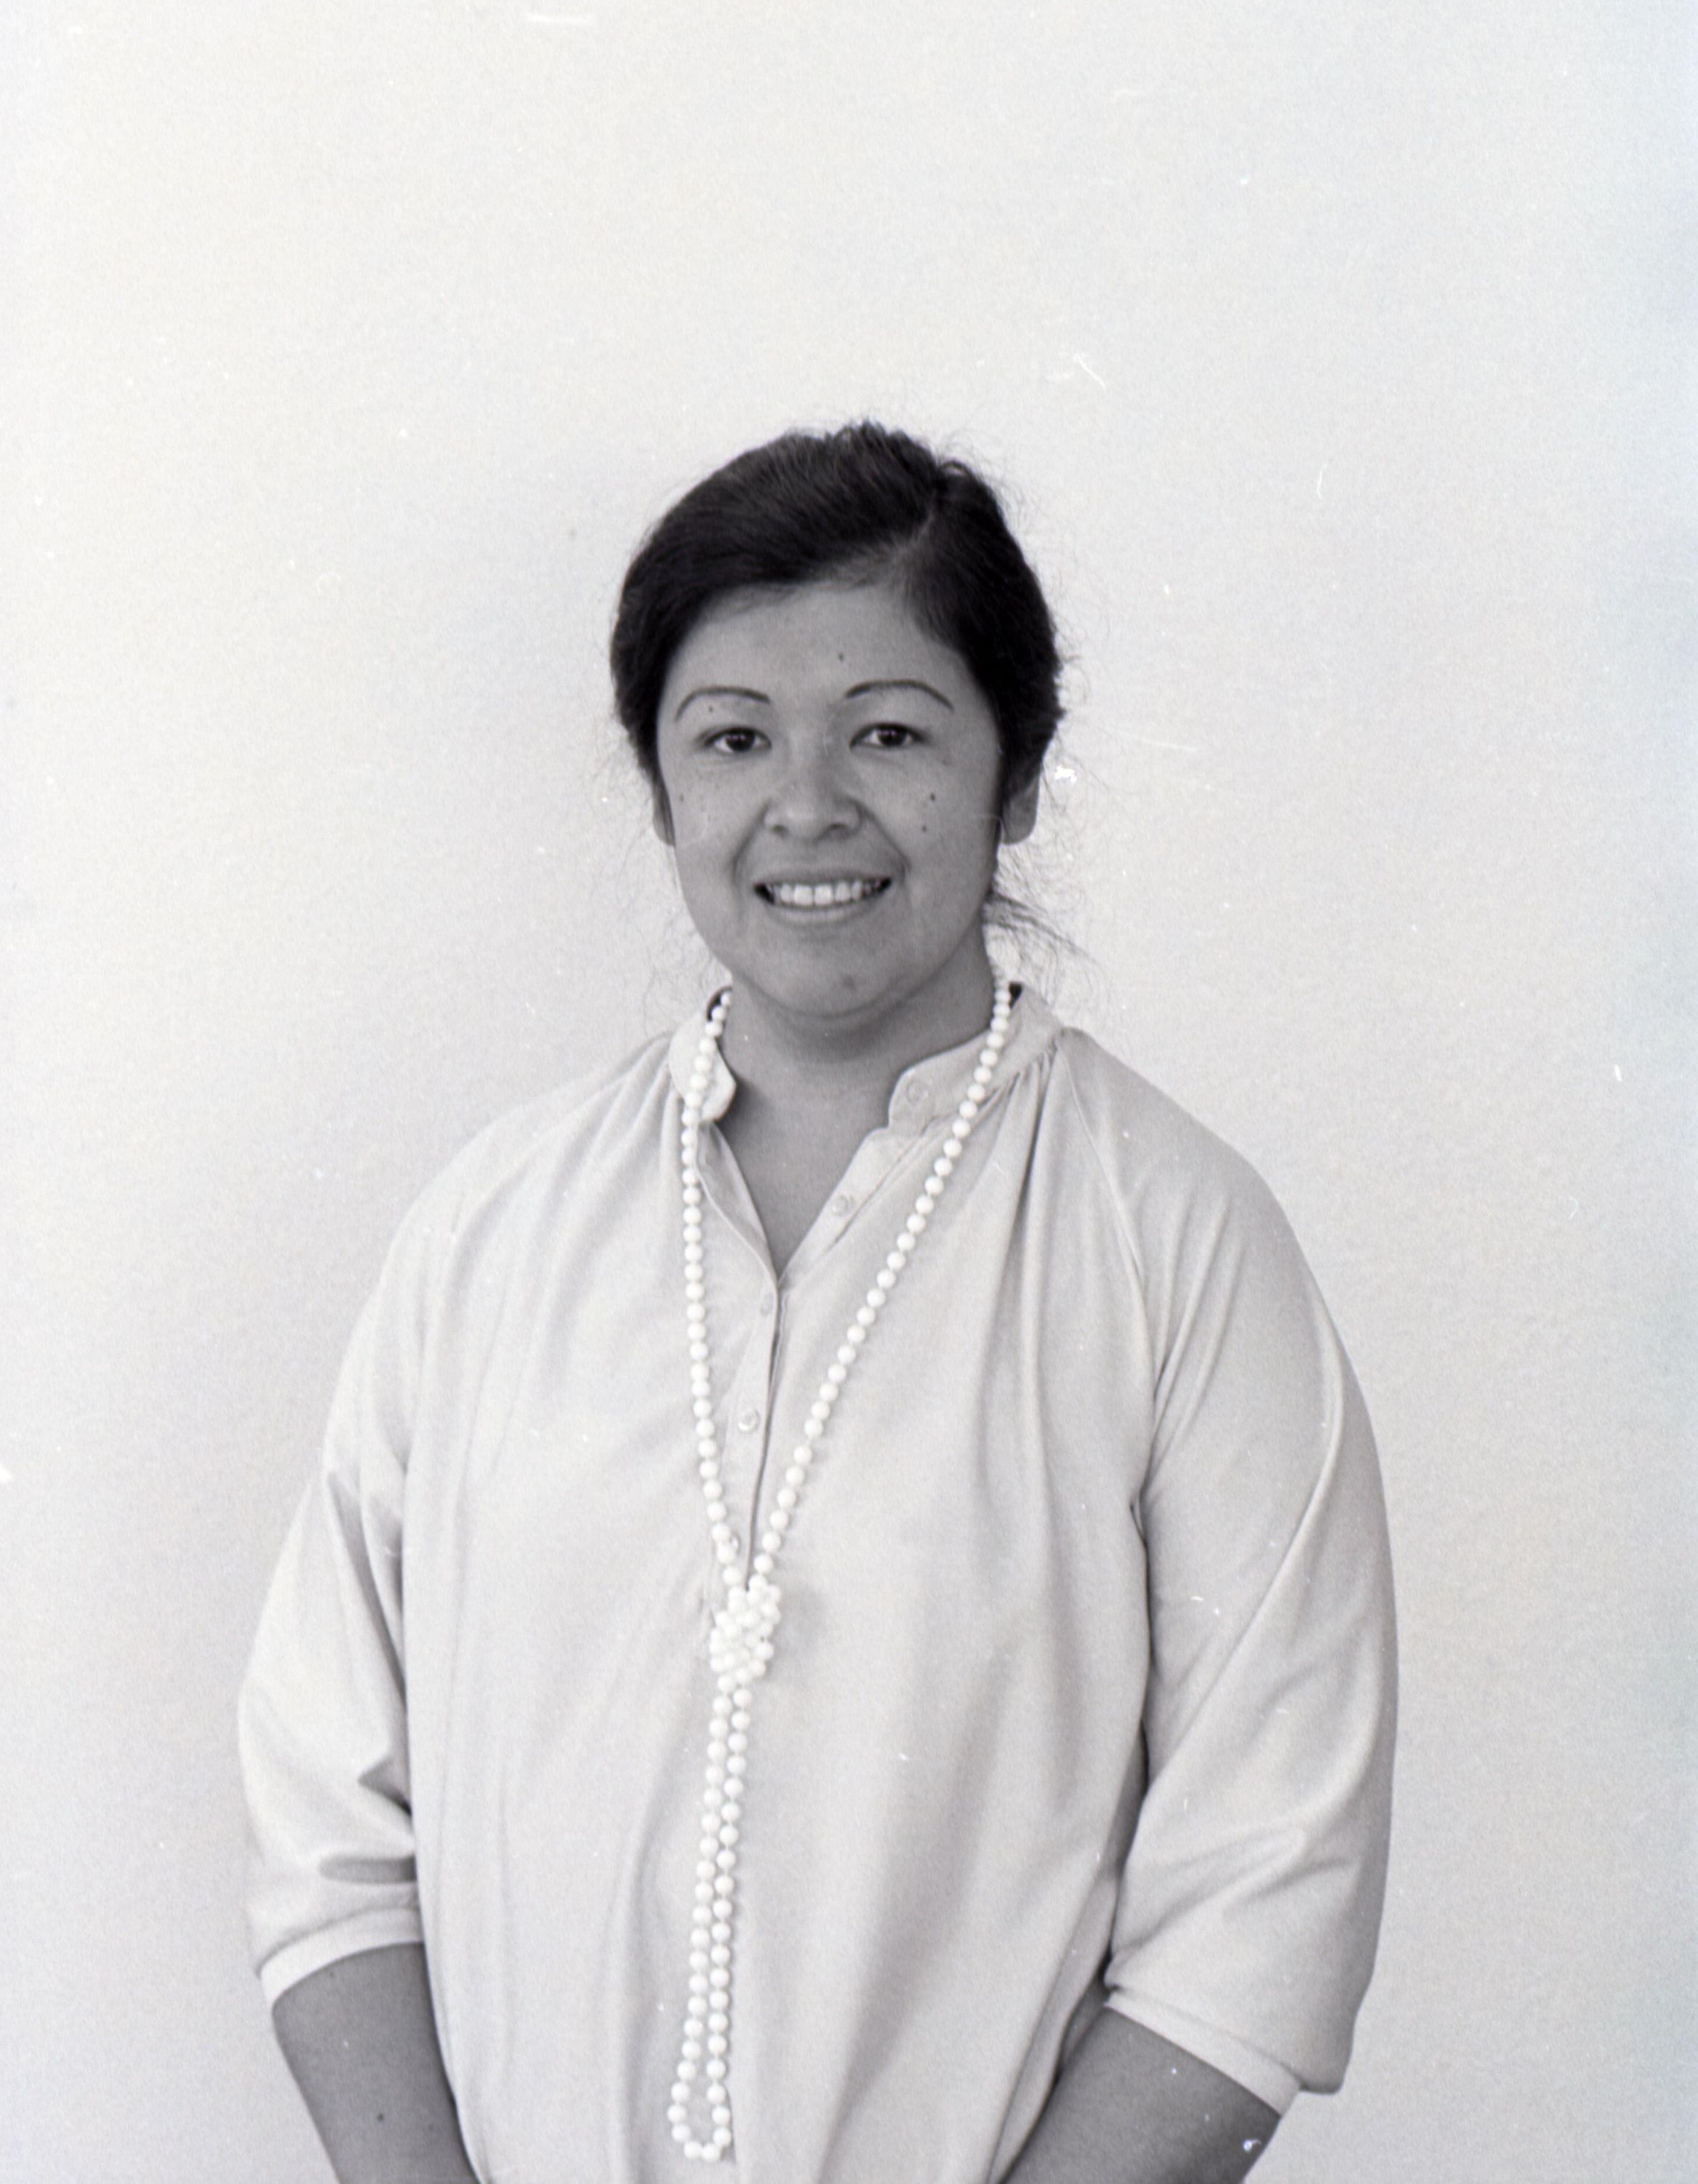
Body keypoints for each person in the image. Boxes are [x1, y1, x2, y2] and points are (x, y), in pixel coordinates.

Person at [241, 423, 1396, 2184]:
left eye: (889, 731)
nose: (808, 804)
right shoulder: (489, 1228)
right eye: (733, 737)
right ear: (661, 790)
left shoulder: (1177, 1238)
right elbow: (328, 1814)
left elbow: (1266, 1890)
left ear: (1018, 773)